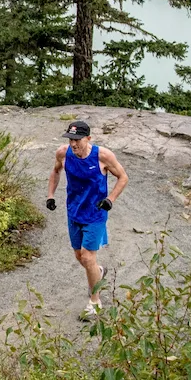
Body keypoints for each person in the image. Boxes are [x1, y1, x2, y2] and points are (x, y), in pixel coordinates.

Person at [45, 120, 128, 320]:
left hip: (95, 214)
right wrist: (50, 195)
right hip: (74, 211)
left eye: (78, 140)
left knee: (88, 257)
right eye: (71, 139)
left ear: (88, 138)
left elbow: (123, 177)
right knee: (79, 257)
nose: (74, 144)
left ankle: (95, 302)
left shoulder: (102, 156)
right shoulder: (63, 153)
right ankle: (97, 273)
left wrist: (110, 200)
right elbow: (56, 171)